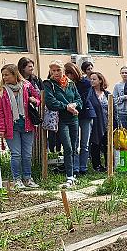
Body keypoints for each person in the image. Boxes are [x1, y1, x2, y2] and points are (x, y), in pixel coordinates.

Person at [0, 64, 41, 189]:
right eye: (3, 75)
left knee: (27, 154)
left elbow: (38, 99)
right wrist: (0, 128)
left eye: (7, 75)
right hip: (12, 127)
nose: (4, 77)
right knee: (16, 154)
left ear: (15, 74)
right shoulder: (2, 91)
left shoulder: (26, 86)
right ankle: (17, 180)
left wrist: (34, 101)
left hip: (27, 125)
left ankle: (28, 178)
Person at [44, 60, 82, 188]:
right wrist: (66, 107)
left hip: (73, 118)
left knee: (75, 147)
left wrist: (74, 105)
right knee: (68, 147)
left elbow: (79, 99)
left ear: (63, 71)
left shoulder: (71, 84)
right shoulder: (49, 84)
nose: (55, 73)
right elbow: (50, 102)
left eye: (58, 70)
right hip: (61, 119)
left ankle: (73, 174)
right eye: (53, 70)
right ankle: (69, 176)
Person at [66, 61, 95, 175]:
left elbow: (83, 99)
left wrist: (73, 105)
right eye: (67, 74)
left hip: (85, 114)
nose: (68, 77)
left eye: (70, 74)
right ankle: (75, 167)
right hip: (73, 114)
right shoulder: (66, 83)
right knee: (74, 142)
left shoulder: (86, 83)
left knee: (85, 143)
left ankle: (83, 167)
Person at [88, 71, 115, 172]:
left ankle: (109, 165)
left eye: (94, 79)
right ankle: (97, 165)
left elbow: (112, 108)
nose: (92, 81)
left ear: (100, 80)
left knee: (108, 144)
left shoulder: (107, 94)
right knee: (96, 144)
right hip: (94, 123)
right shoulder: (89, 93)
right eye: (91, 79)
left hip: (107, 123)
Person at [113, 66, 127, 131]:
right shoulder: (117, 85)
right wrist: (124, 97)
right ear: (120, 74)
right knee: (124, 131)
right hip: (122, 112)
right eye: (122, 73)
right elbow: (114, 100)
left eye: (126, 73)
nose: (124, 74)